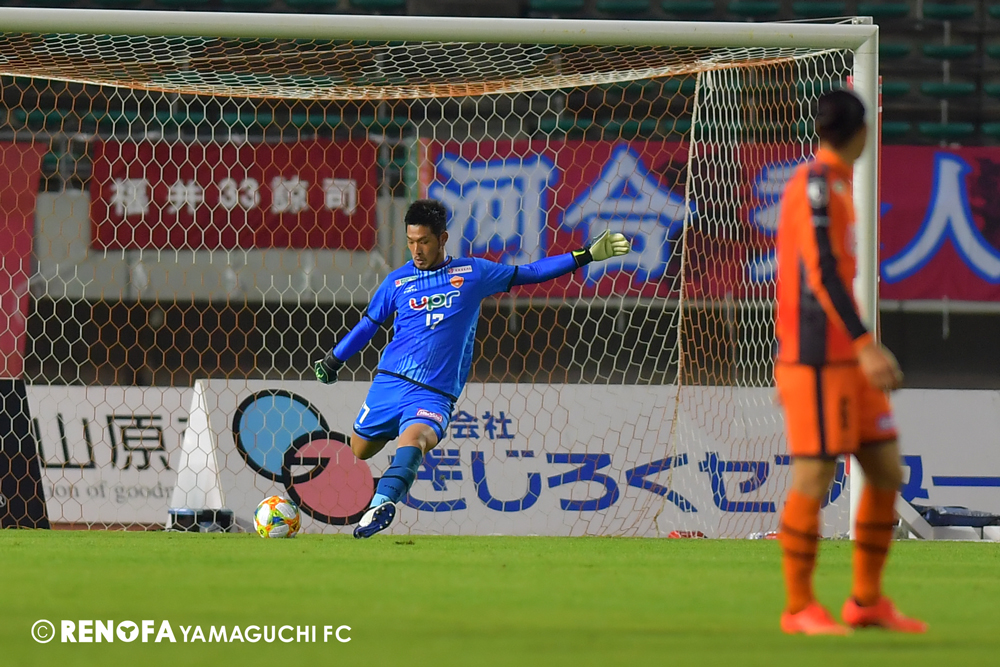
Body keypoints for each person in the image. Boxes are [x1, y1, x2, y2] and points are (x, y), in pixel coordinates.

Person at [314, 199, 630, 538]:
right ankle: (395, 449)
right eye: (411, 241)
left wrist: (586, 255)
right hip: (390, 383)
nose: (416, 250)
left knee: (415, 439)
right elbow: (369, 324)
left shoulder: (472, 273)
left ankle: (380, 504)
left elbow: (532, 272)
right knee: (359, 449)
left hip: (434, 393)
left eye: (424, 241)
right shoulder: (397, 281)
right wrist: (333, 360)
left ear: (442, 238)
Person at [774, 89, 927, 635]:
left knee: (885, 469)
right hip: (817, 356)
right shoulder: (817, 184)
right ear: (863, 133)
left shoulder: (836, 183)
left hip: (845, 357)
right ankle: (799, 608)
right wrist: (866, 344)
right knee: (815, 474)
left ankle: (866, 601)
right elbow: (822, 274)